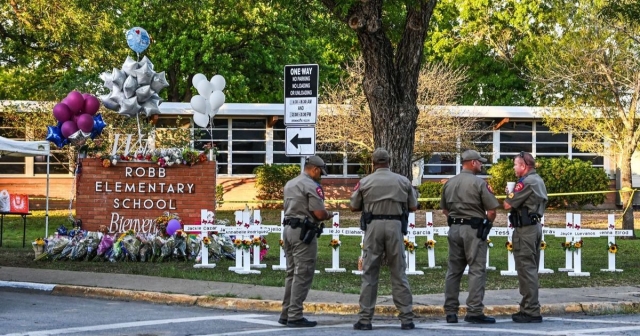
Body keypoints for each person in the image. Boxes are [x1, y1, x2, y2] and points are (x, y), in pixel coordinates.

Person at [350, 148, 417, 331]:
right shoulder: (403, 181)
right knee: (399, 271)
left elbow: (354, 206)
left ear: (373, 163)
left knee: (370, 272)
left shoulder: (364, 182)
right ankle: (406, 318)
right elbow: (413, 206)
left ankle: (365, 319)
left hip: (373, 226)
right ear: (389, 161)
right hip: (395, 225)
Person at [440, 149, 500, 324]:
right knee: (476, 269)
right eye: (480, 162)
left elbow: (444, 209)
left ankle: (450, 311)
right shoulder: (479, 183)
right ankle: (474, 310)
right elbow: (492, 210)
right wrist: (487, 224)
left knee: (453, 270)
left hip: (454, 228)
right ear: (473, 163)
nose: (481, 164)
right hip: (473, 230)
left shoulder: (449, 183)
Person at [279, 155, 334, 328]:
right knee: (303, 273)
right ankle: (295, 315)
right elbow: (318, 213)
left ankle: (286, 313)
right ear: (315, 169)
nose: (321, 176)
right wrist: (329, 214)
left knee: (292, 273)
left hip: (288, 230)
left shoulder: (290, 183)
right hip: (303, 232)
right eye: (321, 173)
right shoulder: (311, 185)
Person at [503, 151, 548, 323]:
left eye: (515, 164)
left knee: (526, 270)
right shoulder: (537, 180)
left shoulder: (526, 182)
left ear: (523, 166)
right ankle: (529, 306)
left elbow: (508, 204)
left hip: (525, 230)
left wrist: (510, 193)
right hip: (534, 227)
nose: (514, 168)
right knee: (531, 269)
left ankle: (530, 310)